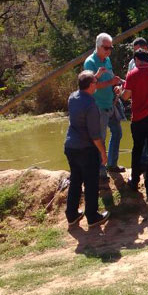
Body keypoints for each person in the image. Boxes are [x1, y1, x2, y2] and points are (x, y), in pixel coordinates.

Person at [116, 50, 148, 197]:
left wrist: (119, 91)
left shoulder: (132, 74)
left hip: (138, 119)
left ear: (137, 60)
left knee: (137, 149)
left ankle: (134, 181)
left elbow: (126, 97)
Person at [64, 70, 111, 228]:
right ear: (91, 85)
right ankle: (92, 216)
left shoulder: (72, 97)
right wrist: (103, 153)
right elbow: (95, 136)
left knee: (75, 180)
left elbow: (87, 82)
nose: (96, 85)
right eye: (95, 83)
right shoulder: (91, 105)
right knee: (91, 183)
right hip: (86, 149)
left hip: (71, 146)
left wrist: (94, 76)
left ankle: (71, 215)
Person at [83, 33, 123, 180]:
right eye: (106, 48)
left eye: (110, 48)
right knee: (100, 138)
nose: (109, 51)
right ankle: (100, 170)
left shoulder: (107, 60)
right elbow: (90, 85)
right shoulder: (90, 62)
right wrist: (110, 83)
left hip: (110, 103)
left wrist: (116, 86)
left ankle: (112, 164)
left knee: (117, 132)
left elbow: (110, 78)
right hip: (97, 106)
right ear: (98, 46)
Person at [126, 37, 148, 172]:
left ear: (145, 48)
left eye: (137, 50)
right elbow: (129, 83)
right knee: (139, 142)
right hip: (138, 106)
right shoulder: (132, 63)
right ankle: (142, 165)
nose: (136, 54)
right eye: (134, 51)